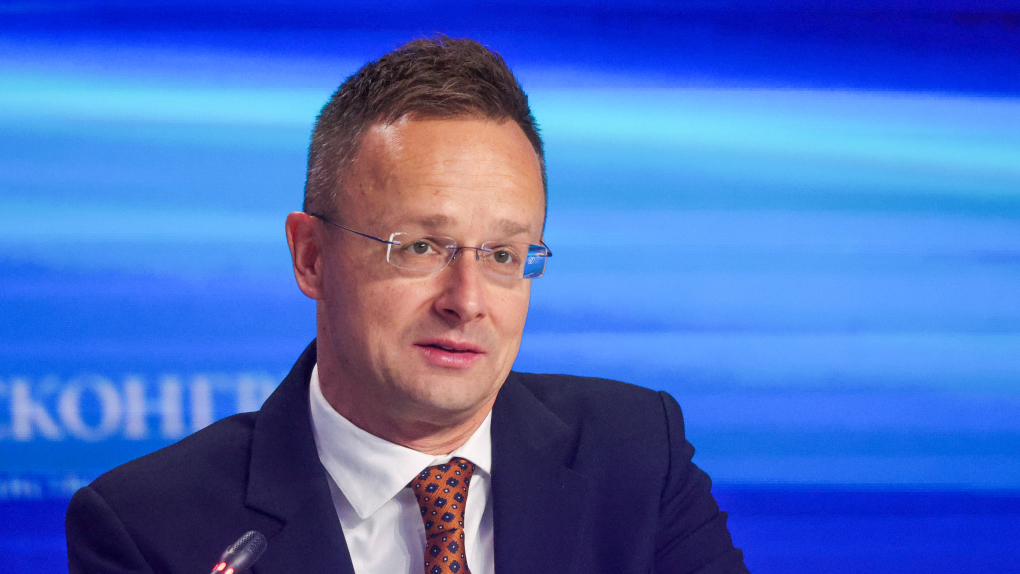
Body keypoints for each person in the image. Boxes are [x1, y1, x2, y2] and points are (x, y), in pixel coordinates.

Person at [65, 37, 750, 574]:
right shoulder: (152, 528)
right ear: (311, 257)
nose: (467, 302)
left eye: (503, 255)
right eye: (421, 247)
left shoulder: (635, 456)